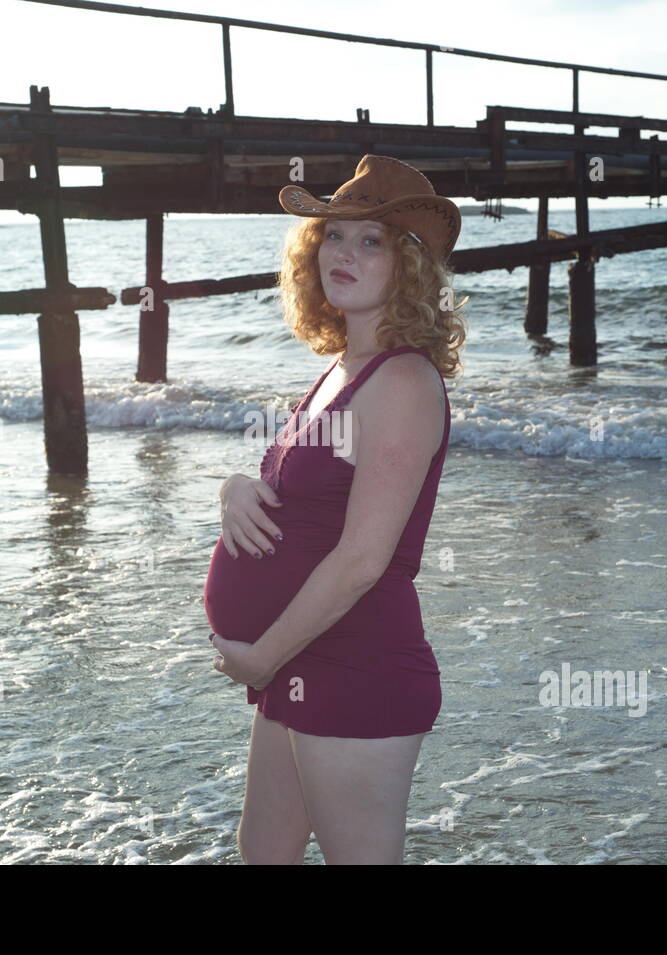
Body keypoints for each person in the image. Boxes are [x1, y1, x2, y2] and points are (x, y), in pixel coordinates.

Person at [202, 154, 467, 864]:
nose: (342, 253)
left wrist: (260, 657)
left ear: (407, 267)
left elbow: (361, 560)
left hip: (358, 667)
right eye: (333, 235)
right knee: (265, 851)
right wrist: (234, 489)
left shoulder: (403, 380)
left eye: (370, 240)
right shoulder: (341, 369)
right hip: (299, 656)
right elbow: (294, 490)